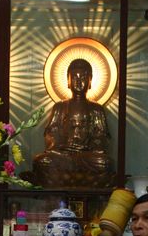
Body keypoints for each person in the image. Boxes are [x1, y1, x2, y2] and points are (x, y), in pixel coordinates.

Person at [32, 58, 115, 188]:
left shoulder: (96, 109)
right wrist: (59, 148)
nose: (79, 81)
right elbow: (51, 132)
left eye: (83, 77)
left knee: (104, 163)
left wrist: (91, 146)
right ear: (68, 81)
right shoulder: (59, 107)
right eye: (74, 77)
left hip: (85, 156)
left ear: (90, 81)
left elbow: (101, 136)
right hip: (63, 155)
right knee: (42, 161)